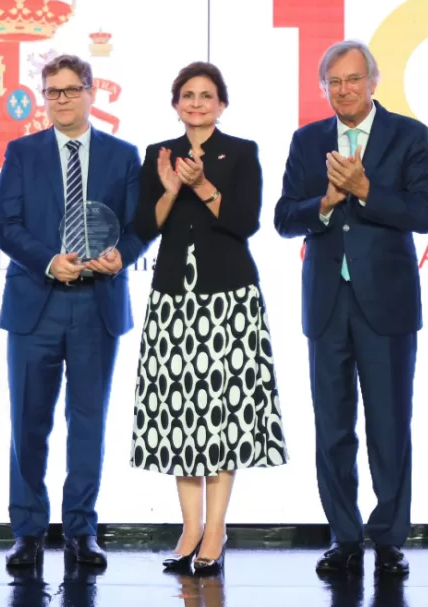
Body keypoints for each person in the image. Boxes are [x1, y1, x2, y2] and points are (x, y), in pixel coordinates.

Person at [274, 40, 428, 574]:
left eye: (353, 79)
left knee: (390, 425)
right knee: (333, 428)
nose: (344, 90)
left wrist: (365, 188)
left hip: (386, 306)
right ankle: (345, 536)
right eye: (334, 82)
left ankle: (389, 537)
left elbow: (425, 213)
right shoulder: (308, 141)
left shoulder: (409, 135)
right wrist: (322, 203)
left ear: (373, 82)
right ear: (324, 88)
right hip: (327, 304)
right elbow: (283, 217)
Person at [0, 54, 147, 568]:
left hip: (97, 303)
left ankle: (81, 530)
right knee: (28, 423)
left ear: (91, 91)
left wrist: (121, 254)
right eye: (52, 91)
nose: (61, 99)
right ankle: (28, 532)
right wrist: (47, 260)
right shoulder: (22, 151)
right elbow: (3, 223)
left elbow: (139, 226)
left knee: (88, 422)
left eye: (70, 89)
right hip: (37, 303)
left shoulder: (124, 156)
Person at [131, 62, 288, 575]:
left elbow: (244, 222)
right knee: (179, 418)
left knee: (222, 415)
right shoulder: (160, 155)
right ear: (175, 103)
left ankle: (215, 532)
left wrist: (201, 186)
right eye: (187, 95)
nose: (196, 103)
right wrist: (173, 187)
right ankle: (190, 528)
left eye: (206, 95)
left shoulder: (241, 153)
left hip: (229, 300)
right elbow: (143, 226)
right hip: (173, 299)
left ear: (222, 104)